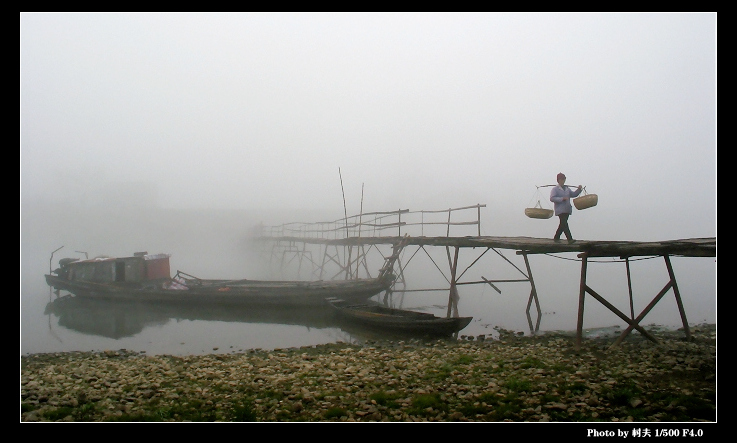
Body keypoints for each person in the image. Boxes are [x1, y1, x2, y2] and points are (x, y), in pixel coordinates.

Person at [549, 172, 582, 244]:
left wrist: (579, 190)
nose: (563, 180)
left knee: (562, 224)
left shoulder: (567, 188)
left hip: (567, 209)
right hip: (560, 209)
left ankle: (556, 237)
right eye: (562, 179)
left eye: (564, 179)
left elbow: (573, 194)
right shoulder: (555, 189)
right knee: (564, 223)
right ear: (558, 180)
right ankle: (570, 239)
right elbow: (552, 198)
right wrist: (562, 199)